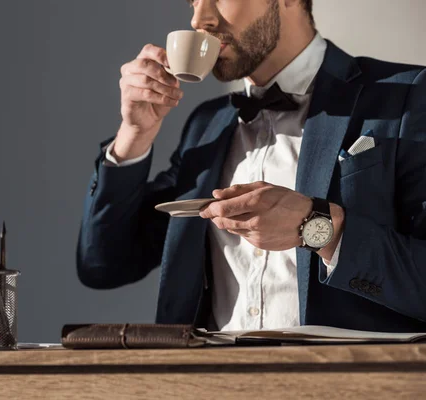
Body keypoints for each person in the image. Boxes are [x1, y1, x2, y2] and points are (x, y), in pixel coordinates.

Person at [76, 0, 426, 332]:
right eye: (193, 2)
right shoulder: (206, 125)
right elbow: (104, 265)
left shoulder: (407, 96)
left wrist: (319, 228)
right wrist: (133, 135)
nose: (200, 20)